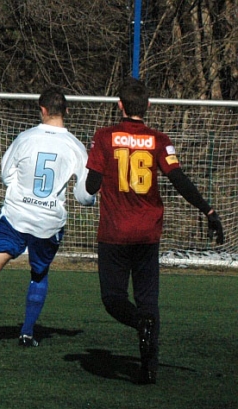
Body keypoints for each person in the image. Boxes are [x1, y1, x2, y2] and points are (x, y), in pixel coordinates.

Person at [85, 77, 224, 384]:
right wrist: (208, 210)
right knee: (149, 300)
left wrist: (95, 175)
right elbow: (179, 180)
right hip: (147, 234)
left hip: (114, 233)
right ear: (147, 107)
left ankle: (140, 323)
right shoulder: (159, 140)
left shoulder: (105, 136)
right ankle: (149, 367)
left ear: (119, 105)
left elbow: (90, 186)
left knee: (113, 298)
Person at [0, 88, 96, 347]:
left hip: (17, 212)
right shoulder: (75, 146)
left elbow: (5, 173)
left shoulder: (25, 138)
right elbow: (83, 194)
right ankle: (26, 332)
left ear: (42, 110)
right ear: (66, 111)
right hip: (48, 220)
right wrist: (91, 198)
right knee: (38, 273)